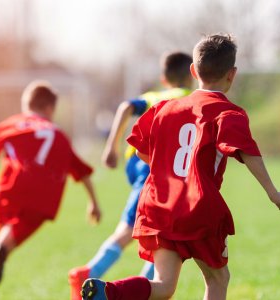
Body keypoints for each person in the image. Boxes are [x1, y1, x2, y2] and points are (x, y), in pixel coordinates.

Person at [80, 34, 280, 300]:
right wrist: (273, 193)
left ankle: (110, 292)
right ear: (232, 74)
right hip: (198, 208)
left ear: (194, 71)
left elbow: (140, 150)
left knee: (163, 285)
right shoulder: (228, 112)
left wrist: (167, 169)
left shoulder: (164, 108)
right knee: (218, 279)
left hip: (159, 206)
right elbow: (248, 152)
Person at [0, 80, 102, 300]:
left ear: (26, 104)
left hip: (12, 187)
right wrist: (93, 202)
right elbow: (83, 173)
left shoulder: (13, 124)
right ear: (49, 109)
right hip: (45, 195)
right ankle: (1, 249)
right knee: (17, 229)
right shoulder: (59, 135)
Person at [68, 52, 194, 300]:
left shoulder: (155, 96)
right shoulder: (187, 98)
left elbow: (128, 106)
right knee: (141, 232)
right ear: (192, 75)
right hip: (157, 171)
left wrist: (112, 148)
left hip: (140, 165)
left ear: (164, 78)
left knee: (162, 235)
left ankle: (141, 286)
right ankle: (89, 273)